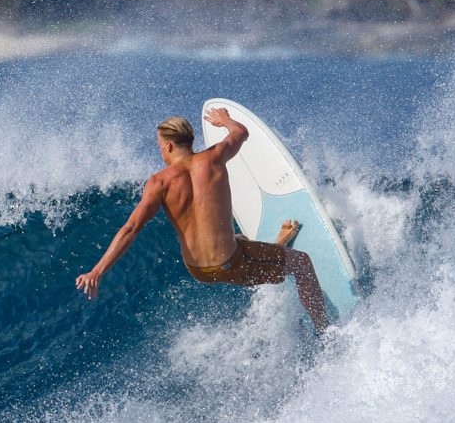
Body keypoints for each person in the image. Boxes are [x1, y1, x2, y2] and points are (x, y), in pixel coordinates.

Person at [75, 108, 330, 335]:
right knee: (303, 264)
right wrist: (225, 120)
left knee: (238, 239)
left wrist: (97, 271)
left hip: (199, 271)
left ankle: (277, 246)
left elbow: (131, 228)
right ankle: (325, 334)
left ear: (169, 146)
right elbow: (241, 132)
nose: (161, 151)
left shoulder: (158, 183)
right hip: (233, 263)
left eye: (160, 146)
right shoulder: (215, 157)